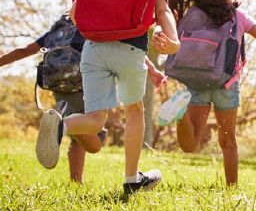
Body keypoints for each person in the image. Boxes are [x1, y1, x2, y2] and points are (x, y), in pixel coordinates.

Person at [36, 0, 180, 195]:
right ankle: (131, 178)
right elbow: (162, 9)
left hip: (92, 49)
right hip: (130, 49)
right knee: (134, 110)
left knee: (95, 118)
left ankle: (60, 125)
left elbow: (75, 14)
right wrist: (173, 41)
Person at [1, 17, 164, 182]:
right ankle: (59, 127)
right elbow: (121, 46)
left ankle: (75, 180)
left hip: (58, 85)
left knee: (77, 135)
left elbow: (25, 50)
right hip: (82, 81)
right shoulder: (89, 24)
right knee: (93, 140)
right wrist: (151, 69)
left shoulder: (57, 31)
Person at [159, 0, 256, 186]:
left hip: (196, 81)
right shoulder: (237, 16)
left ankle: (181, 115)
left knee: (190, 145)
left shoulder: (192, 14)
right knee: (228, 141)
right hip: (226, 85)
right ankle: (231, 188)